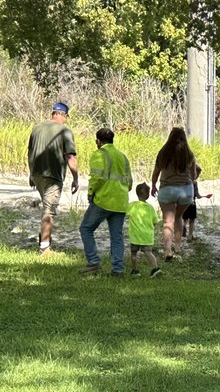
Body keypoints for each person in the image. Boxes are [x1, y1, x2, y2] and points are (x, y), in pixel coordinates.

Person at [27, 101, 79, 253]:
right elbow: (70, 156)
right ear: (65, 116)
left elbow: (30, 152)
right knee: (49, 211)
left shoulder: (37, 128)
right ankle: (45, 248)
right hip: (53, 176)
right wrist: (76, 178)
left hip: (36, 174)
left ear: (52, 114)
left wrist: (31, 173)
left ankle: (44, 238)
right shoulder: (65, 131)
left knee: (46, 207)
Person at [79, 127, 132, 276]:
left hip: (103, 200)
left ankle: (93, 262)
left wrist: (91, 193)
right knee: (117, 236)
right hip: (120, 202)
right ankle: (118, 269)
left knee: (86, 229)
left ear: (98, 141)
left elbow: (97, 177)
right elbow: (129, 182)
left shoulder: (99, 154)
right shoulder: (123, 157)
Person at [151, 127, 202, 262]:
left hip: (167, 189)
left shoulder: (163, 153)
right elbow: (193, 176)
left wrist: (153, 185)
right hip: (186, 191)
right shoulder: (189, 155)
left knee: (168, 221)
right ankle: (178, 246)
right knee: (178, 217)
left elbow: (156, 172)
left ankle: (168, 249)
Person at [127, 183, 161, 277]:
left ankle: (135, 271)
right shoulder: (150, 208)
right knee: (148, 252)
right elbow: (155, 221)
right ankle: (155, 268)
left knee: (133, 253)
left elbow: (124, 212)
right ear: (147, 194)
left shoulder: (132, 205)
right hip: (147, 235)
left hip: (135, 235)